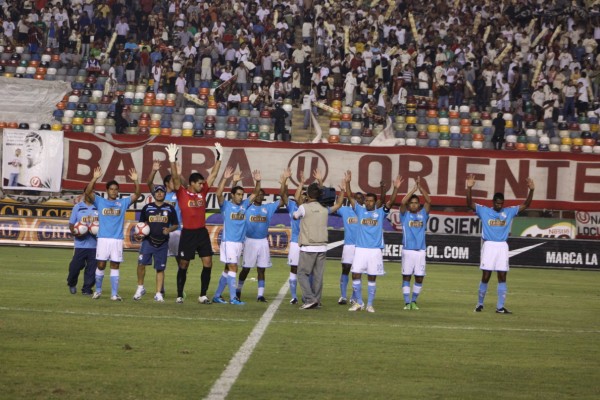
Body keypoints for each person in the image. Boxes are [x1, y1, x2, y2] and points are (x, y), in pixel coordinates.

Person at [466, 174, 535, 314]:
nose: (499, 205)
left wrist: (531, 190)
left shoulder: (509, 211)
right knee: (486, 276)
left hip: (502, 246)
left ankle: (500, 307)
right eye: (497, 203)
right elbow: (469, 204)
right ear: (493, 202)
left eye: (501, 203)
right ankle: (479, 304)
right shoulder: (484, 210)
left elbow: (526, 205)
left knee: (502, 276)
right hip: (489, 246)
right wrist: (469, 188)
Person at [165, 142, 222, 304]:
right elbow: (175, 177)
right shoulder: (182, 193)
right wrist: (172, 159)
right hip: (188, 233)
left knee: (208, 263)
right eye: (199, 183)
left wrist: (220, 157)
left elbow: (213, 175)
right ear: (191, 183)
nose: (203, 185)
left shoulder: (203, 192)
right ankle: (179, 295)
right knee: (184, 264)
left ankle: (203, 295)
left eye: (203, 183)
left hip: (202, 233)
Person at [345, 171, 402, 312]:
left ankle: (370, 304)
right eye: (367, 200)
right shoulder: (360, 211)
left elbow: (391, 202)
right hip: (360, 249)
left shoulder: (380, 212)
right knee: (355, 274)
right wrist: (347, 183)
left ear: (375, 202)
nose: (368, 202)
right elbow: (350, 196)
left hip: (375, 250)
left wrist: (395, 188)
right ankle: (359, 302)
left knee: (372, 277)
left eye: (371, 201)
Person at [85, 167, 141, 301]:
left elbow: (137, 194)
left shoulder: (123, 203)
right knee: (101, 265)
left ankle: (114, 294)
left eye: (116, 189)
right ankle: (98, 291)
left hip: (117, 239)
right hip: (103, 238)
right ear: (107, 191)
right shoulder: (100, 201)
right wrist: (94, 178)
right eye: (111, 189)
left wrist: (135, 180)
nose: (114, 191)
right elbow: (88, 192)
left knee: (115, 265)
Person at [211, 167, 260, 305]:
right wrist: (225, 179)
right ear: (232, 195)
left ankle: (217, 296)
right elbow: (218, 193)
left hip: (239, 243)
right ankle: (233, 298)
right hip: (229, 242)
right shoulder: (225, 205)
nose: (240, 197)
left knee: (228, 269)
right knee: (233, 268)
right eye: (238, 194)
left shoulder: (245, 205)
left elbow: (255, 193)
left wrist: (258, 181)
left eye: (242, 194)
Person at [293, 179, 344, 309]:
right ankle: (316, 300)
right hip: (322, 247)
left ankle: (310, 299)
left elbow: (295, 215)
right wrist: (343, 190)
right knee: (318, 276)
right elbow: (339, 204)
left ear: (308, 194)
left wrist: (300, 186)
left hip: (308, 246)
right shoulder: (324, 209)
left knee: (302, 274)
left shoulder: (303, 207)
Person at [236, 178, 285, 303]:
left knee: (262, 269)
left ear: (264, 197)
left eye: (261, 195)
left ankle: (260, 295)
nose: (259, 196)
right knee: (246, 269)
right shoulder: (247, 207)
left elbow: (283, 200)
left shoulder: (268, 208)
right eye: (257, 194)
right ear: (254, 196)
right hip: (250, 241)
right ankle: (238, 291)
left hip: (263, 241)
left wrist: (284, 183)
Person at [133, 184, 179, 302]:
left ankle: (158, 293)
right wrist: (138, 233)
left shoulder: (170, 208)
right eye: (157, 191)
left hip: (163, 243)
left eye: (161, 191)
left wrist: (169, 230)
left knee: (160, 268)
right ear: (154, 194)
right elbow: (141, 225)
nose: (159, 193)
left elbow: (175, 225)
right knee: (141, 264)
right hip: (148, 241)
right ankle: (140, 288)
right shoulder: (147, 208)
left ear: (165, 194)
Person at [398, 177, 431, 310]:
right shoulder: (404, 215)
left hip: (420, 252)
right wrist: (413, 190)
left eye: (416, 203)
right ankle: (407, 303)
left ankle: (414, 301)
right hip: (408, 251)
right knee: (406, 277)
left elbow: (429, 201)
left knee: (419, 278)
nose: (413, 205)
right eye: (411, 203)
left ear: (419, 205)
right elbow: (402, 202)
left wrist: (420, 188)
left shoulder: (423, 214)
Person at [66, 194, 99, 295]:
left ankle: (87, 289)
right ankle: (72, 283)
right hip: (80, 244)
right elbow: (71, 224)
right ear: (85, 194)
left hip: (95, 245)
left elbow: (103, 224)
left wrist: (98, 231)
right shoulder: (78, 207)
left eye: (93, 192)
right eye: (89, 192)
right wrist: (75, 232)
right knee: (75, 267)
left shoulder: (98, 206)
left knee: (92, 269)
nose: (91, 194)